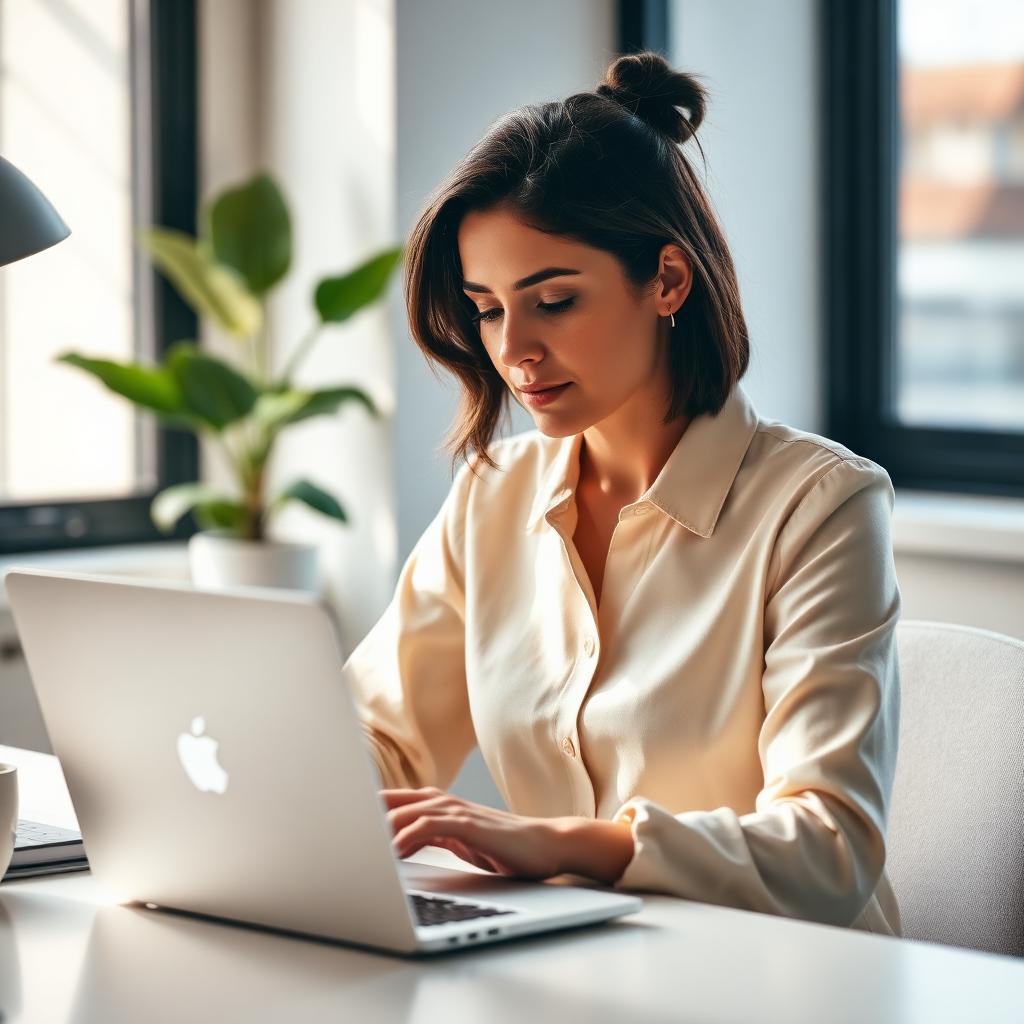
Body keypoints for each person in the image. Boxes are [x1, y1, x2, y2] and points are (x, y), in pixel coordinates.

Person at [340, 51, 902, 935]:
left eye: (553, 300)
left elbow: (827, 848)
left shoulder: (821, 505)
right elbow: (380, 740)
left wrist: (565, 845)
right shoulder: (494, 496)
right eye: (487, 308)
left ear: (668, 281)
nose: (513, 348)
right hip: (576, 968)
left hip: (786, 980)